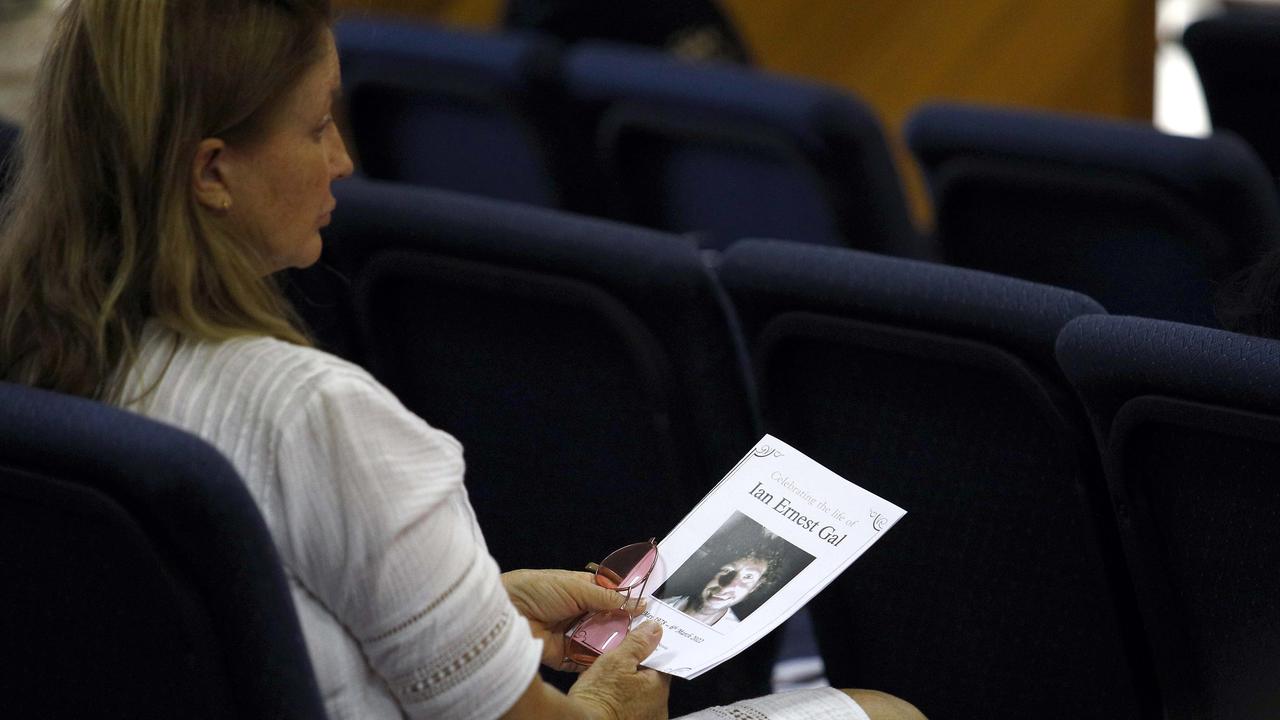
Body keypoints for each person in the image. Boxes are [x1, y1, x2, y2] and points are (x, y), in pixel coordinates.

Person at [0, 2, 925, 719]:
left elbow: (277, 617)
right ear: (212, 172)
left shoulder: (40, 357)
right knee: (883, 709)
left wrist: (486, 607)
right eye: (317, 126)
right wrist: (612, 704)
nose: (345, 161)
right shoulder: (315, 416)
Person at [661, 549, 780, 629]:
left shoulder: (734, 636)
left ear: (754, 587)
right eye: (726, 570)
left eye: (748, 577)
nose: (728, 585)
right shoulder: (658, 602)